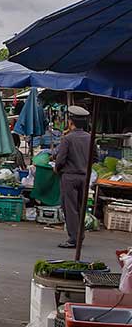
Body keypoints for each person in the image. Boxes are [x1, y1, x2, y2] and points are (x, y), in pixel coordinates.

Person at [54, 105, 92, 249]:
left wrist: (56, 169)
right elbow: (95, 157)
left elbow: (60, 159)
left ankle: (73, 238)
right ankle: (80, 235)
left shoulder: (67, 139)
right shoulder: (90, 137)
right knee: (81, 207)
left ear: (71, 122)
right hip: (84, 177)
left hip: (69, 177)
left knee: (70, 208)